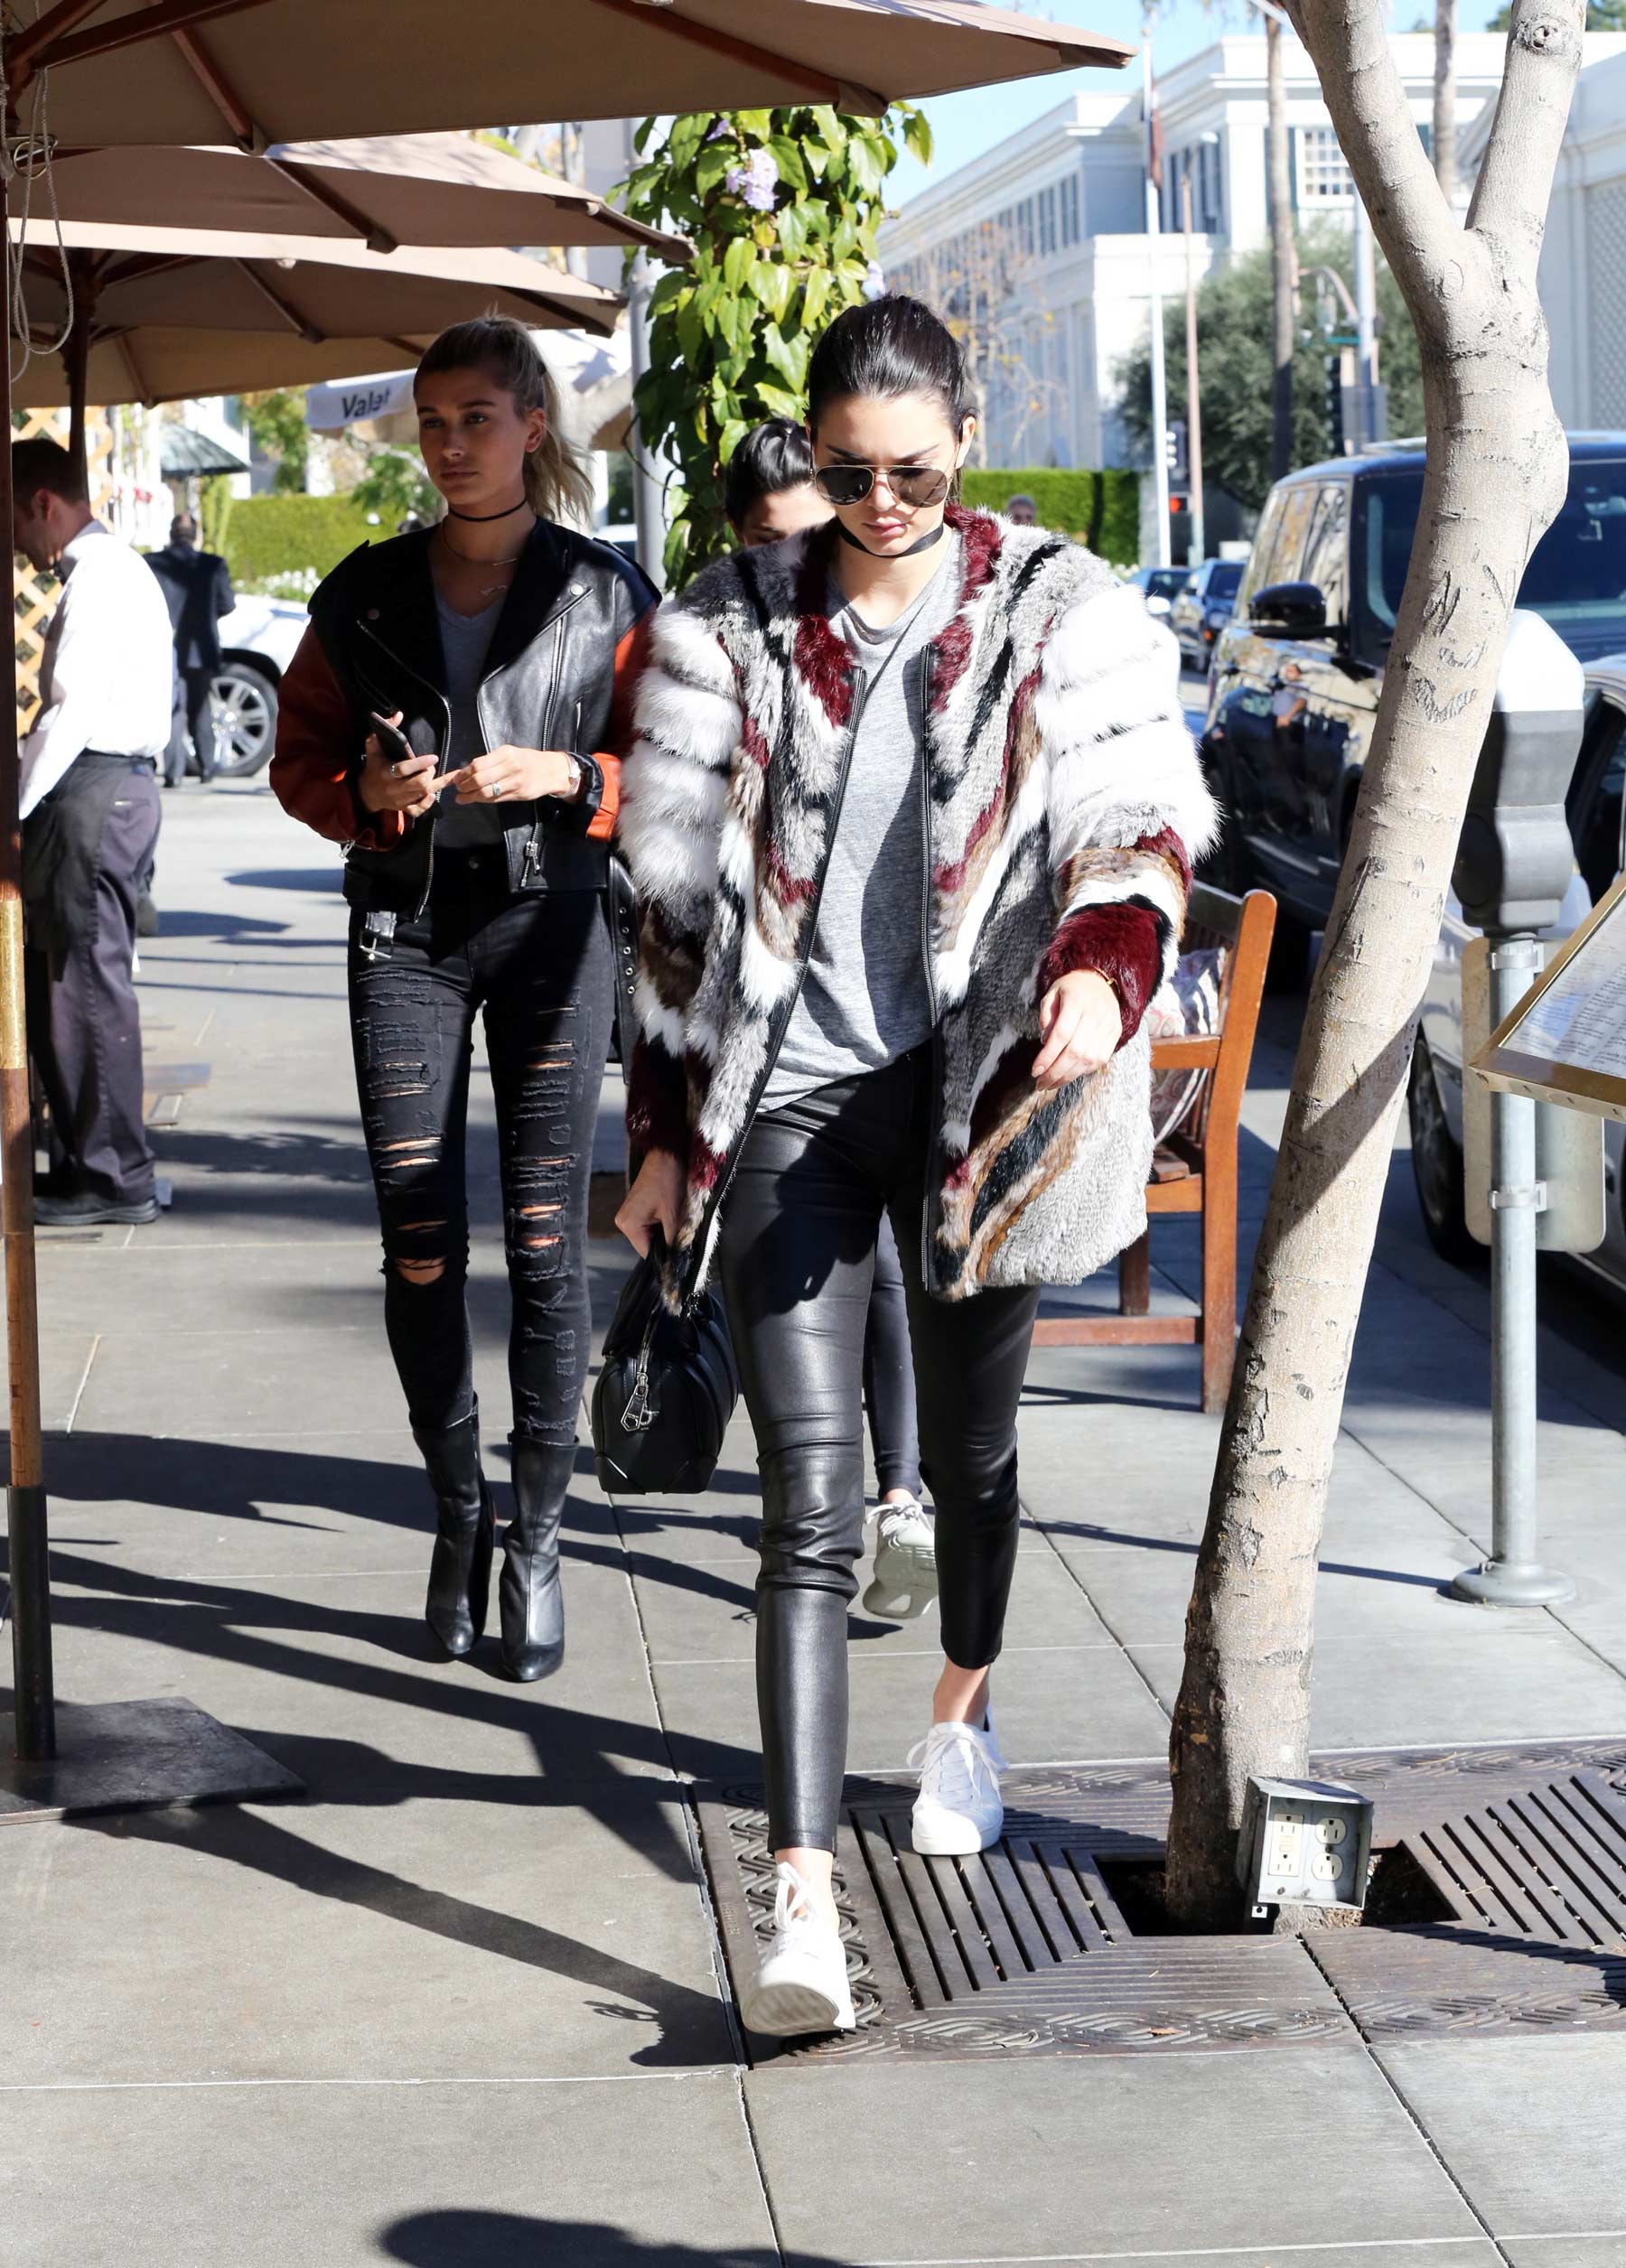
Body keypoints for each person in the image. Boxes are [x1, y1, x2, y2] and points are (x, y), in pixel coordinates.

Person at [617, 294, 1215, 2039]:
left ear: (966, 445)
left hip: (980, 1093)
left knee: (968, 1454)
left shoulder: (1055, 605)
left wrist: (1105, 976)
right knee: (811, 1501)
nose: (881, 503)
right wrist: (662, 1135)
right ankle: (803, 1904)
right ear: (809, 449)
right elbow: (664, 907)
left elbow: (1139, 815)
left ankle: (957, 1706)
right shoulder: (721, 629)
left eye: (917, 474)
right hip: (790, 1097)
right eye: (847, 471)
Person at [272, 317, 655, 1681]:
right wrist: (359, 798)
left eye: (475, 418)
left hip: (554, 933)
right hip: (408, 934)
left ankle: (540, 1533)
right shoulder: (365, 588)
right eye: (432, 422)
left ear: (532, 427)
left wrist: (572, 778)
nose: (448, 444)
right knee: (419, 1239)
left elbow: (671, 770)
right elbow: (297, 754)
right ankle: (459, 1511)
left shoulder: (606, 596)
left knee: (549, 1249)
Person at [723, 416, 935, 1623]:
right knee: (793, 1280)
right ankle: (815, 1500)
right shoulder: (721, 653)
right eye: (773, 543)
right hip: (766, 1030)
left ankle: (899, 1496)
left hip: (883, 1025)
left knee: (888, 1268)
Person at [13, 438, 171, 1227]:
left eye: (15, 519)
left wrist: (15, 805)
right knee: (72, 981)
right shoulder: (107, 573)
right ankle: (91, 1163)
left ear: (44, 503)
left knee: (82, 985)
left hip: (96, 790)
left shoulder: (103, 576)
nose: (17, 542)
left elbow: (70, 713)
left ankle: (113, 1175)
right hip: (106, 791)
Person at [147, 510, 235, 787]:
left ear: (171, 534)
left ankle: (173, 773)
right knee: (201, 708)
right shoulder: (213, 565)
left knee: (173, 709)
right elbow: (227, 604)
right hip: (202, 646)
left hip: (166, 646)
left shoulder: (153, 563)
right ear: (195, 535)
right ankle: (207, 768)